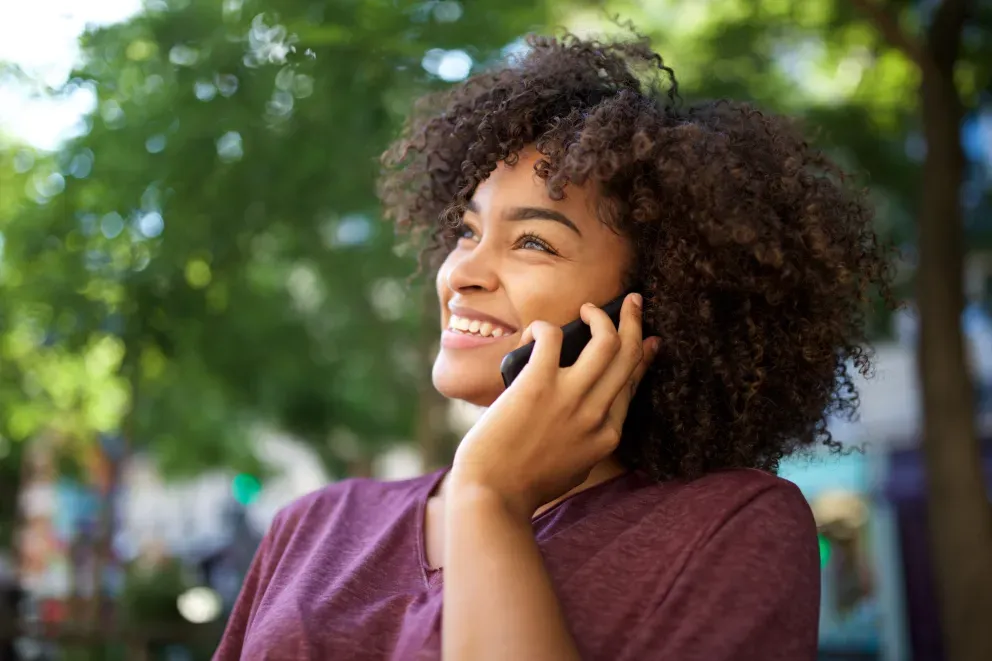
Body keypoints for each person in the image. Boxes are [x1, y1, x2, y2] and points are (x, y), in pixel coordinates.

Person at [213, 31, 893, 661]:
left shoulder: (731, 524)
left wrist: (489, 495)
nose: (463, 273)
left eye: (533, 241)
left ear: (659, 301)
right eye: (466, 231)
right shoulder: (316, 525)